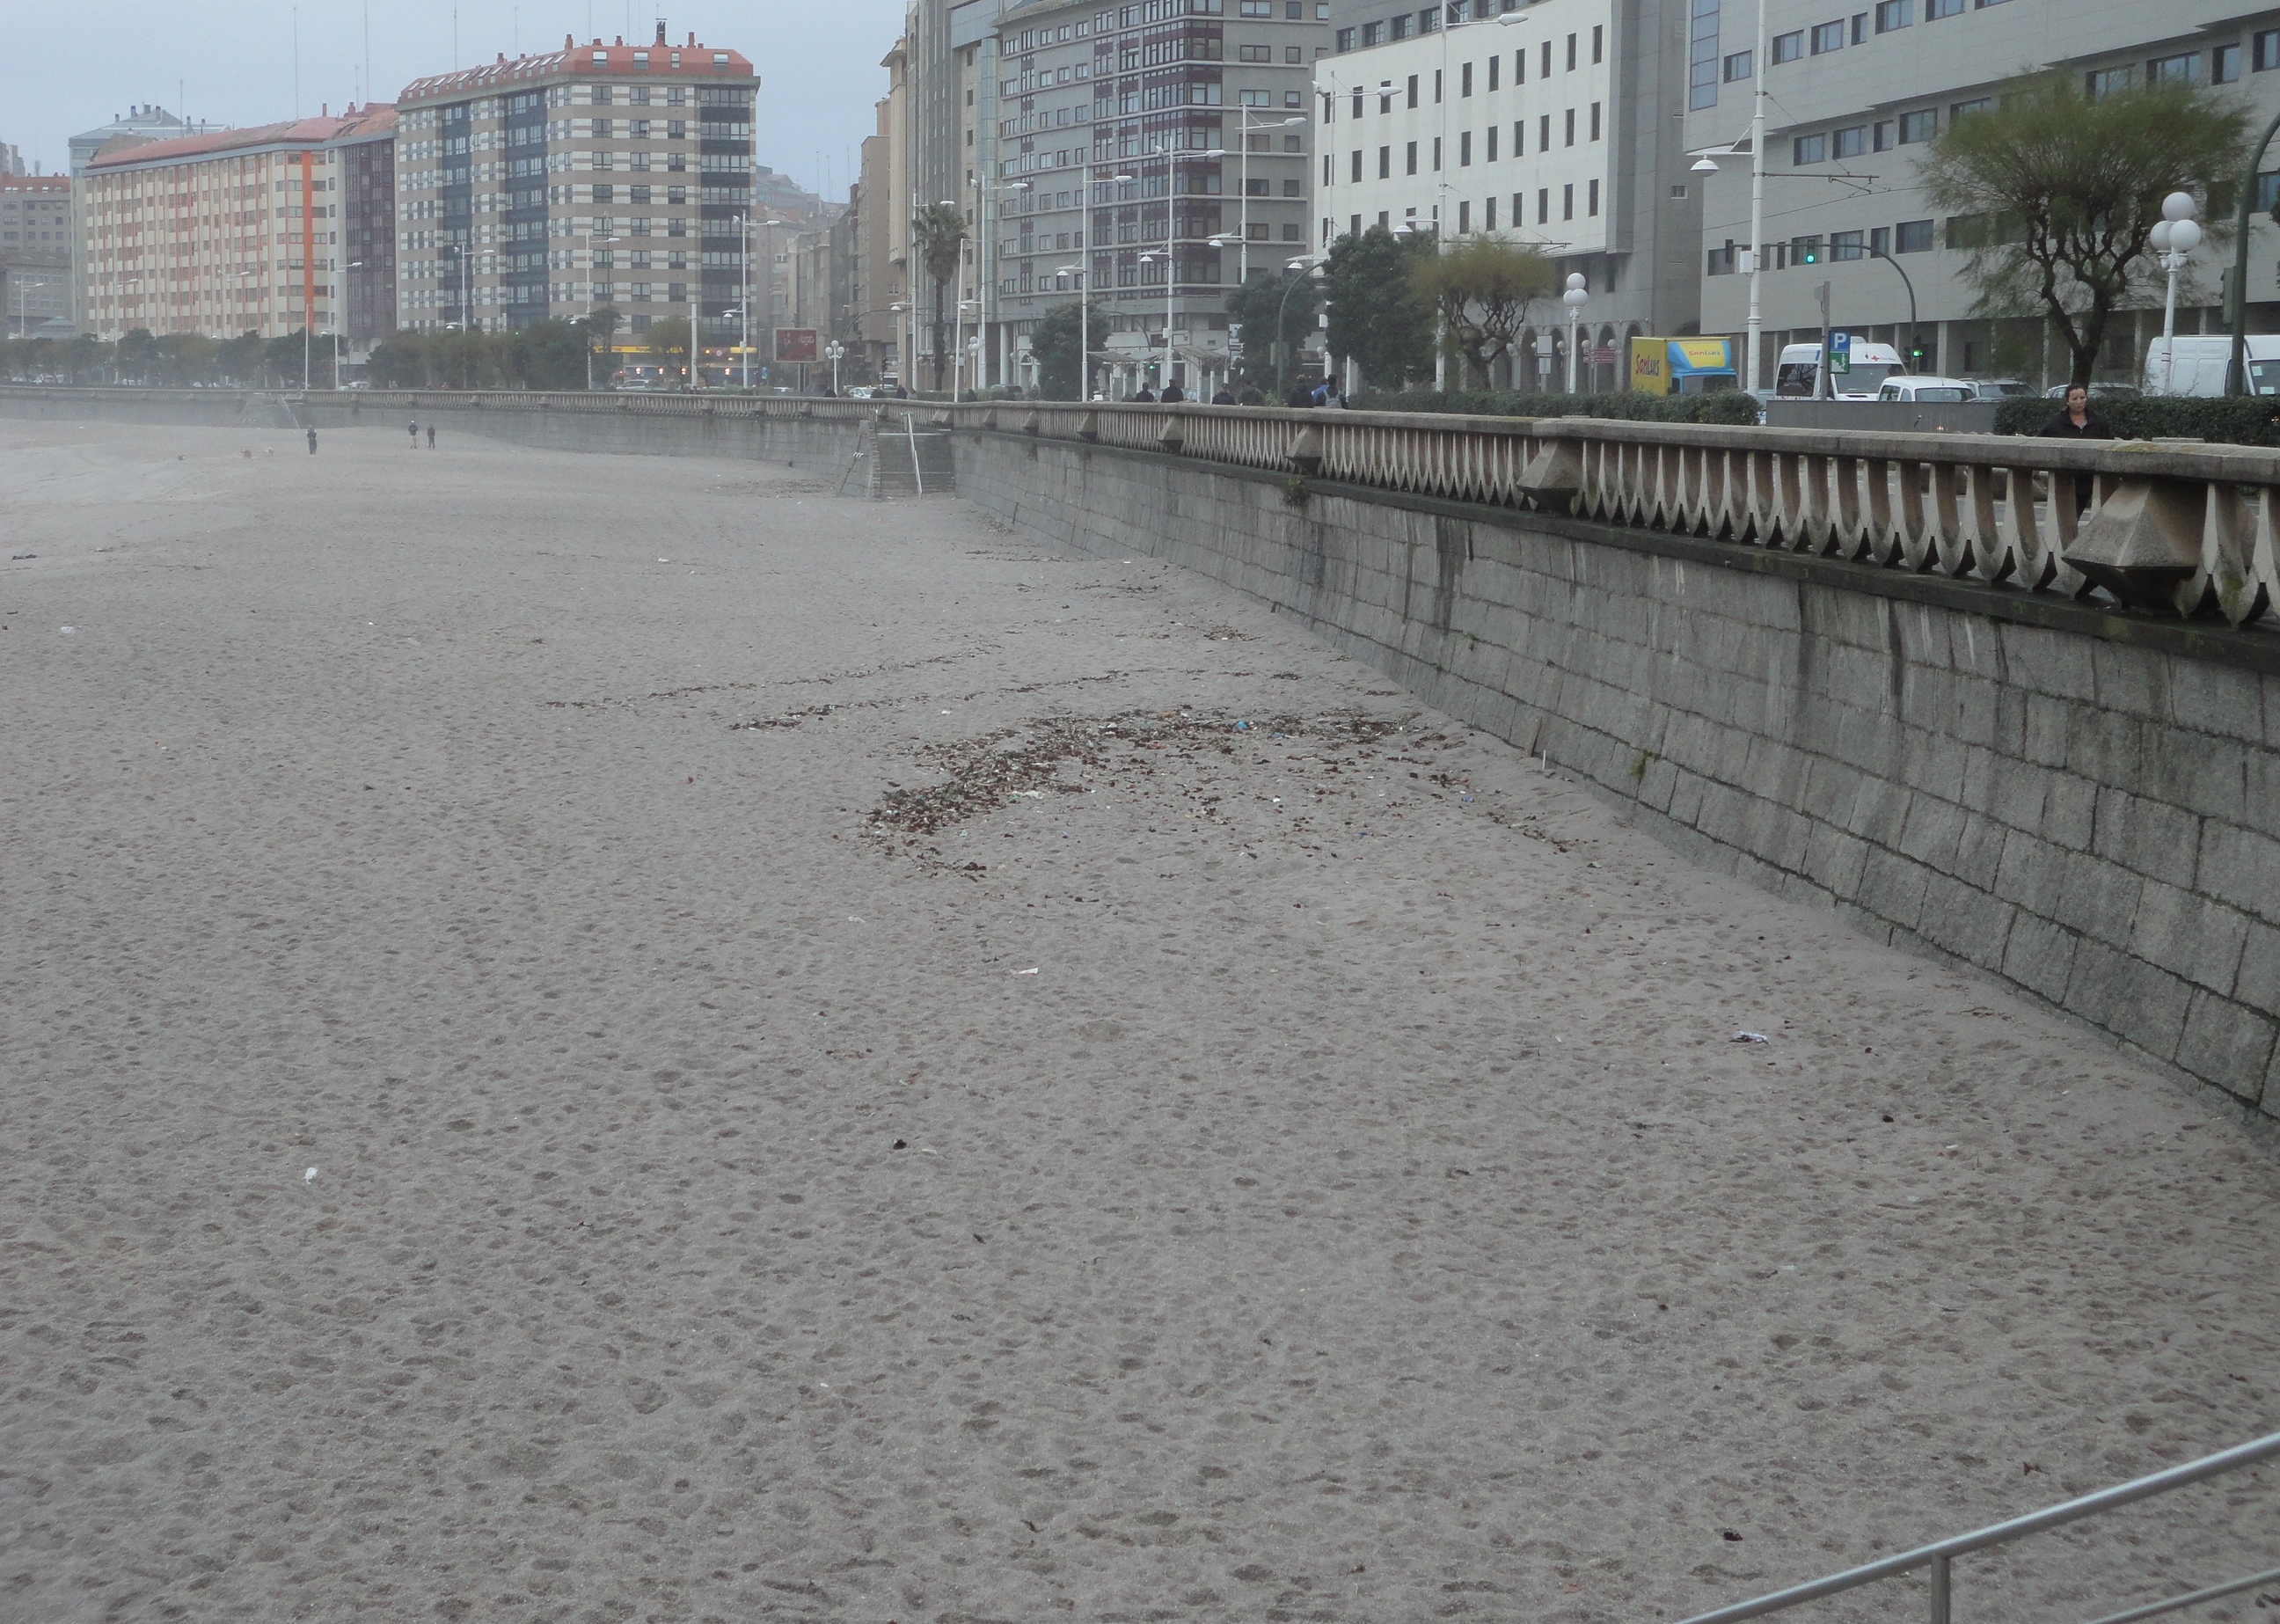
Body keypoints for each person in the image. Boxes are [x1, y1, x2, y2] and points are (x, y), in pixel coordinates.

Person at [2039, 384, 2112, 516]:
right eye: (2074, 399)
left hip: (2088, 479)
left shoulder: (2098, 422)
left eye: (2082, 398)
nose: (2079, 402)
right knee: (2066, 515)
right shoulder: (2055, 423)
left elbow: (2108, 445)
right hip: (2064, 478)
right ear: (2067, 401)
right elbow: (2040, 444)